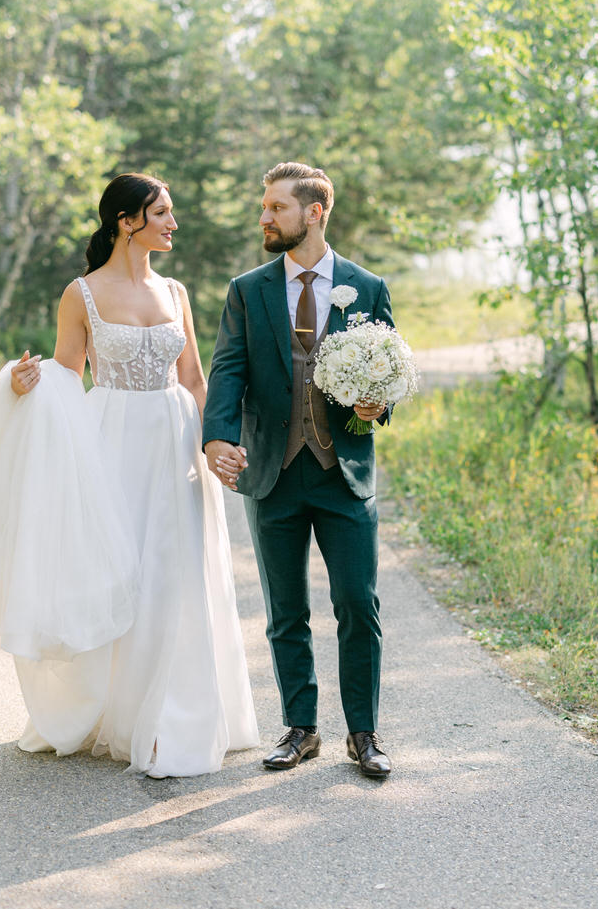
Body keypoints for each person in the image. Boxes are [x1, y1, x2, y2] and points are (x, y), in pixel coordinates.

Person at [0, 173, 258, 779]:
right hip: (112, 441)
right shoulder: (82, 294)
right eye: (163, 213)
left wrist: (216, 442)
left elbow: (196, 379)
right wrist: (21, 385)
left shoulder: (176, 292)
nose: (174, 223)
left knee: (177, 571)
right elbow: (67, 377)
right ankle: (114, 711)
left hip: (174, 443)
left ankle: (175, 713)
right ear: (127, 221)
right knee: (124, 569)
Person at [202, 162, 395, 779]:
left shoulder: (367, 285)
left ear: (314, 213)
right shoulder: (247, 289)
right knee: (286, 611)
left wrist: (378, 403)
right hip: (273, 474)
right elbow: (228, 368)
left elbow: (388, 366)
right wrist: (216, 439)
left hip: (344, 473)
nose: (264, 217)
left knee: (357, 604)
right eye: (264, 207)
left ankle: (363, 734)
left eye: (276, 208)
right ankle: (301, 729)